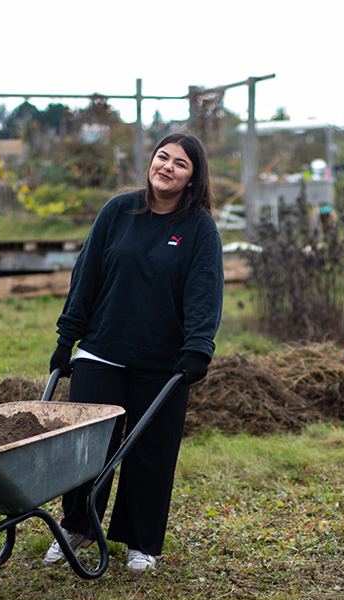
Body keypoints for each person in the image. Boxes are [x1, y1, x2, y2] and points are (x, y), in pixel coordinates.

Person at [43, 132, 224, 573]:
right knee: (87, 445)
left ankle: (141, 542)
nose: (168, 166)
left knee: (150, 452)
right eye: (163, 157)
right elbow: (86, 276)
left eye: (180, 164)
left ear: (192, 178)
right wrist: (67, 338)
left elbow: (205, 290)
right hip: (102, 349)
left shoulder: (198, 227)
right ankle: (78, 526)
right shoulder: (118, 210)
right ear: (151, 161)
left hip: (163, 362)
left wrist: (198, 347)